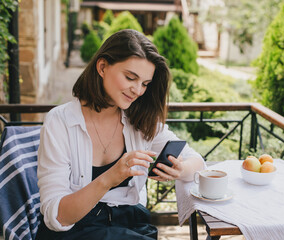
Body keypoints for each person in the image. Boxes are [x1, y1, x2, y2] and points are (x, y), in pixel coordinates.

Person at [35, 29, 205, 240]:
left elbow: (197, 161)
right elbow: (57, 216)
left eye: (145, 84)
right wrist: (110, 178)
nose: (137, 90)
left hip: (129, 224)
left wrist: (181, 169)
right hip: (74, 231)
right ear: (102, 67)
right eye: (130, 77)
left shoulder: (140, 120)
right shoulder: (59, 122)